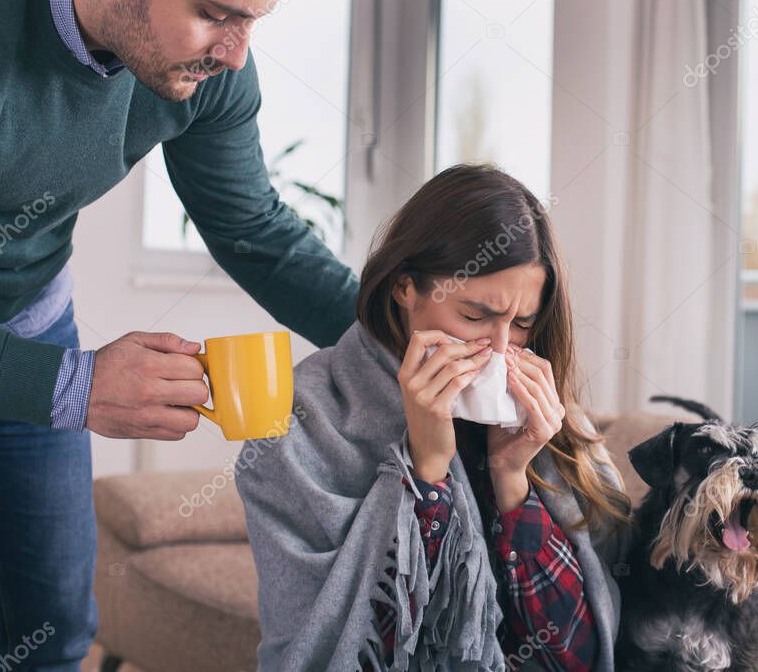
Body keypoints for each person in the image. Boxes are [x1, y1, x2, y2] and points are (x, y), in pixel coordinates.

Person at [0, 0, 357, 667]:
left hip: (32, 319)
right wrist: (74, 384)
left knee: (56, 631)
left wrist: (406, 334)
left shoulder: (212, 68)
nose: (236, 54)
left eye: (253, 20)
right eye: (219, 14)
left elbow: (252, 227)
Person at [236, 164, 632, 671]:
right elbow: (338, 651)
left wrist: (512, 479)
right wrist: (427, 472)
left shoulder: (549, 419)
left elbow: (576, 657)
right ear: (405, 288)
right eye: (474, 315)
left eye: (522, 324)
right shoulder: (304, 420)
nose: (498, 347)